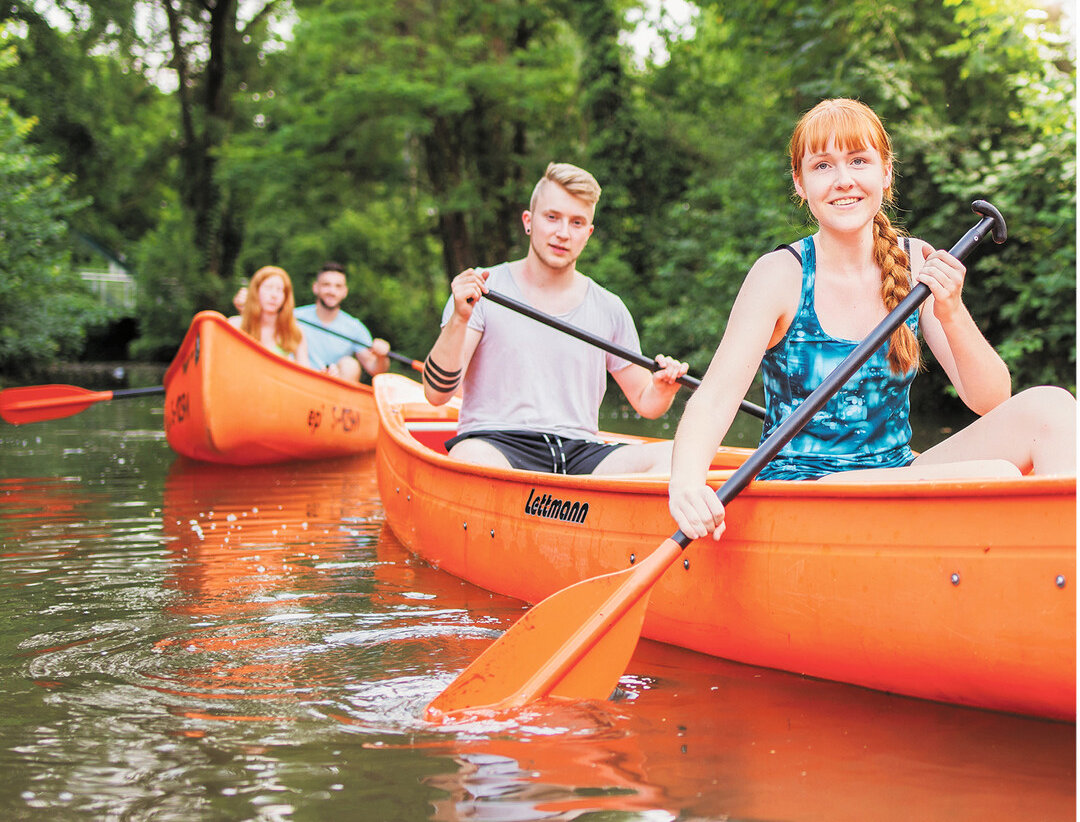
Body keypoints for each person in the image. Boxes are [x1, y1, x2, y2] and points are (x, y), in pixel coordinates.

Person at [668, 97, 1076, 541]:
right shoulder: (780, 274)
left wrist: (951, 311)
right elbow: (714, 399)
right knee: (994, 475)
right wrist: (686, 482)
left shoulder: (915, 262)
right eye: (822, 166)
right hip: (806, 489)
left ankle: (1063, 567)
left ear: (885, 172)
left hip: (896, 472)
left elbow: (992, 399)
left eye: (858, 161)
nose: (843, 181)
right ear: (800, 183)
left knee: (1051, 408)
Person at [422, 161, 689, 475]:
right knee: (469, 457)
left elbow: (646, 403)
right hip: (495, 443)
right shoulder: (481, 290)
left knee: (679, 456)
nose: (563, 233)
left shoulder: (609, 307)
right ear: (529, 221)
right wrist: (458, 319)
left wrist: (662, 388)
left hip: (579, 452)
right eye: (552, 217)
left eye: (576, 223)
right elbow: (437, 394)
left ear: (588, 233)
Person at [293, 262, 391, 382]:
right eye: (326, 285)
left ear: (345, 291)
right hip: (298, 380)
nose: (332, 291)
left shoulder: (354, 327)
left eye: (338, 286)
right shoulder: (295, 316)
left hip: (334, 388)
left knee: (350, 364)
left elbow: (375, 369)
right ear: (315, 287)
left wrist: (381, 355)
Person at [228, 265, 311, 367]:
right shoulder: (235, 325)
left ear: (286, 297)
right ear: (256, 291)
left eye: (280, 290)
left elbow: (305, 371)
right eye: (268, 288)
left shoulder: (294, 331)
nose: (274, 295)